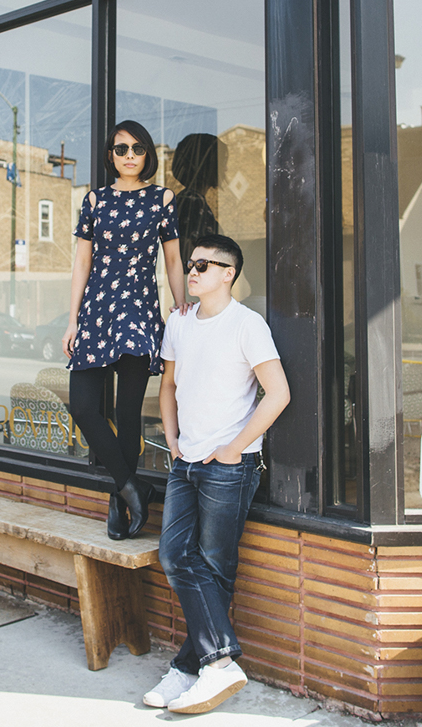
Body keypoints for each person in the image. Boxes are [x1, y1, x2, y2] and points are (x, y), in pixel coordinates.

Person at [142, 234, 290, 715]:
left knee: (213, 566)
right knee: (175, 555)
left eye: (206, 265)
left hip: (230, 466)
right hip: (186, 461)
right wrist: (172, 438)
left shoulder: (249, 325)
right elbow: (168, 385)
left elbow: (278, 393)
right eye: (191, 264)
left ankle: (192, 668)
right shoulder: (179, 323)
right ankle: (216, 663)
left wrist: (234, 447)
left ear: (230, 273)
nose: (194, 271)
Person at [63, 119, 187, 541]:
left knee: (128, 413)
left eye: (138, 148)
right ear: (110, 155)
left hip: (138, 308)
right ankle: (132, 487)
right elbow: (82, 262)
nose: (130, 155)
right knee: (82, 404)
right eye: (121, 149)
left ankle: (121, 502)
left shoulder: (162, 198)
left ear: (148, 154)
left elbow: (172, 259)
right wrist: (72, 319)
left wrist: (181, 304)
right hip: (97, 309)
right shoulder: (95, 200)